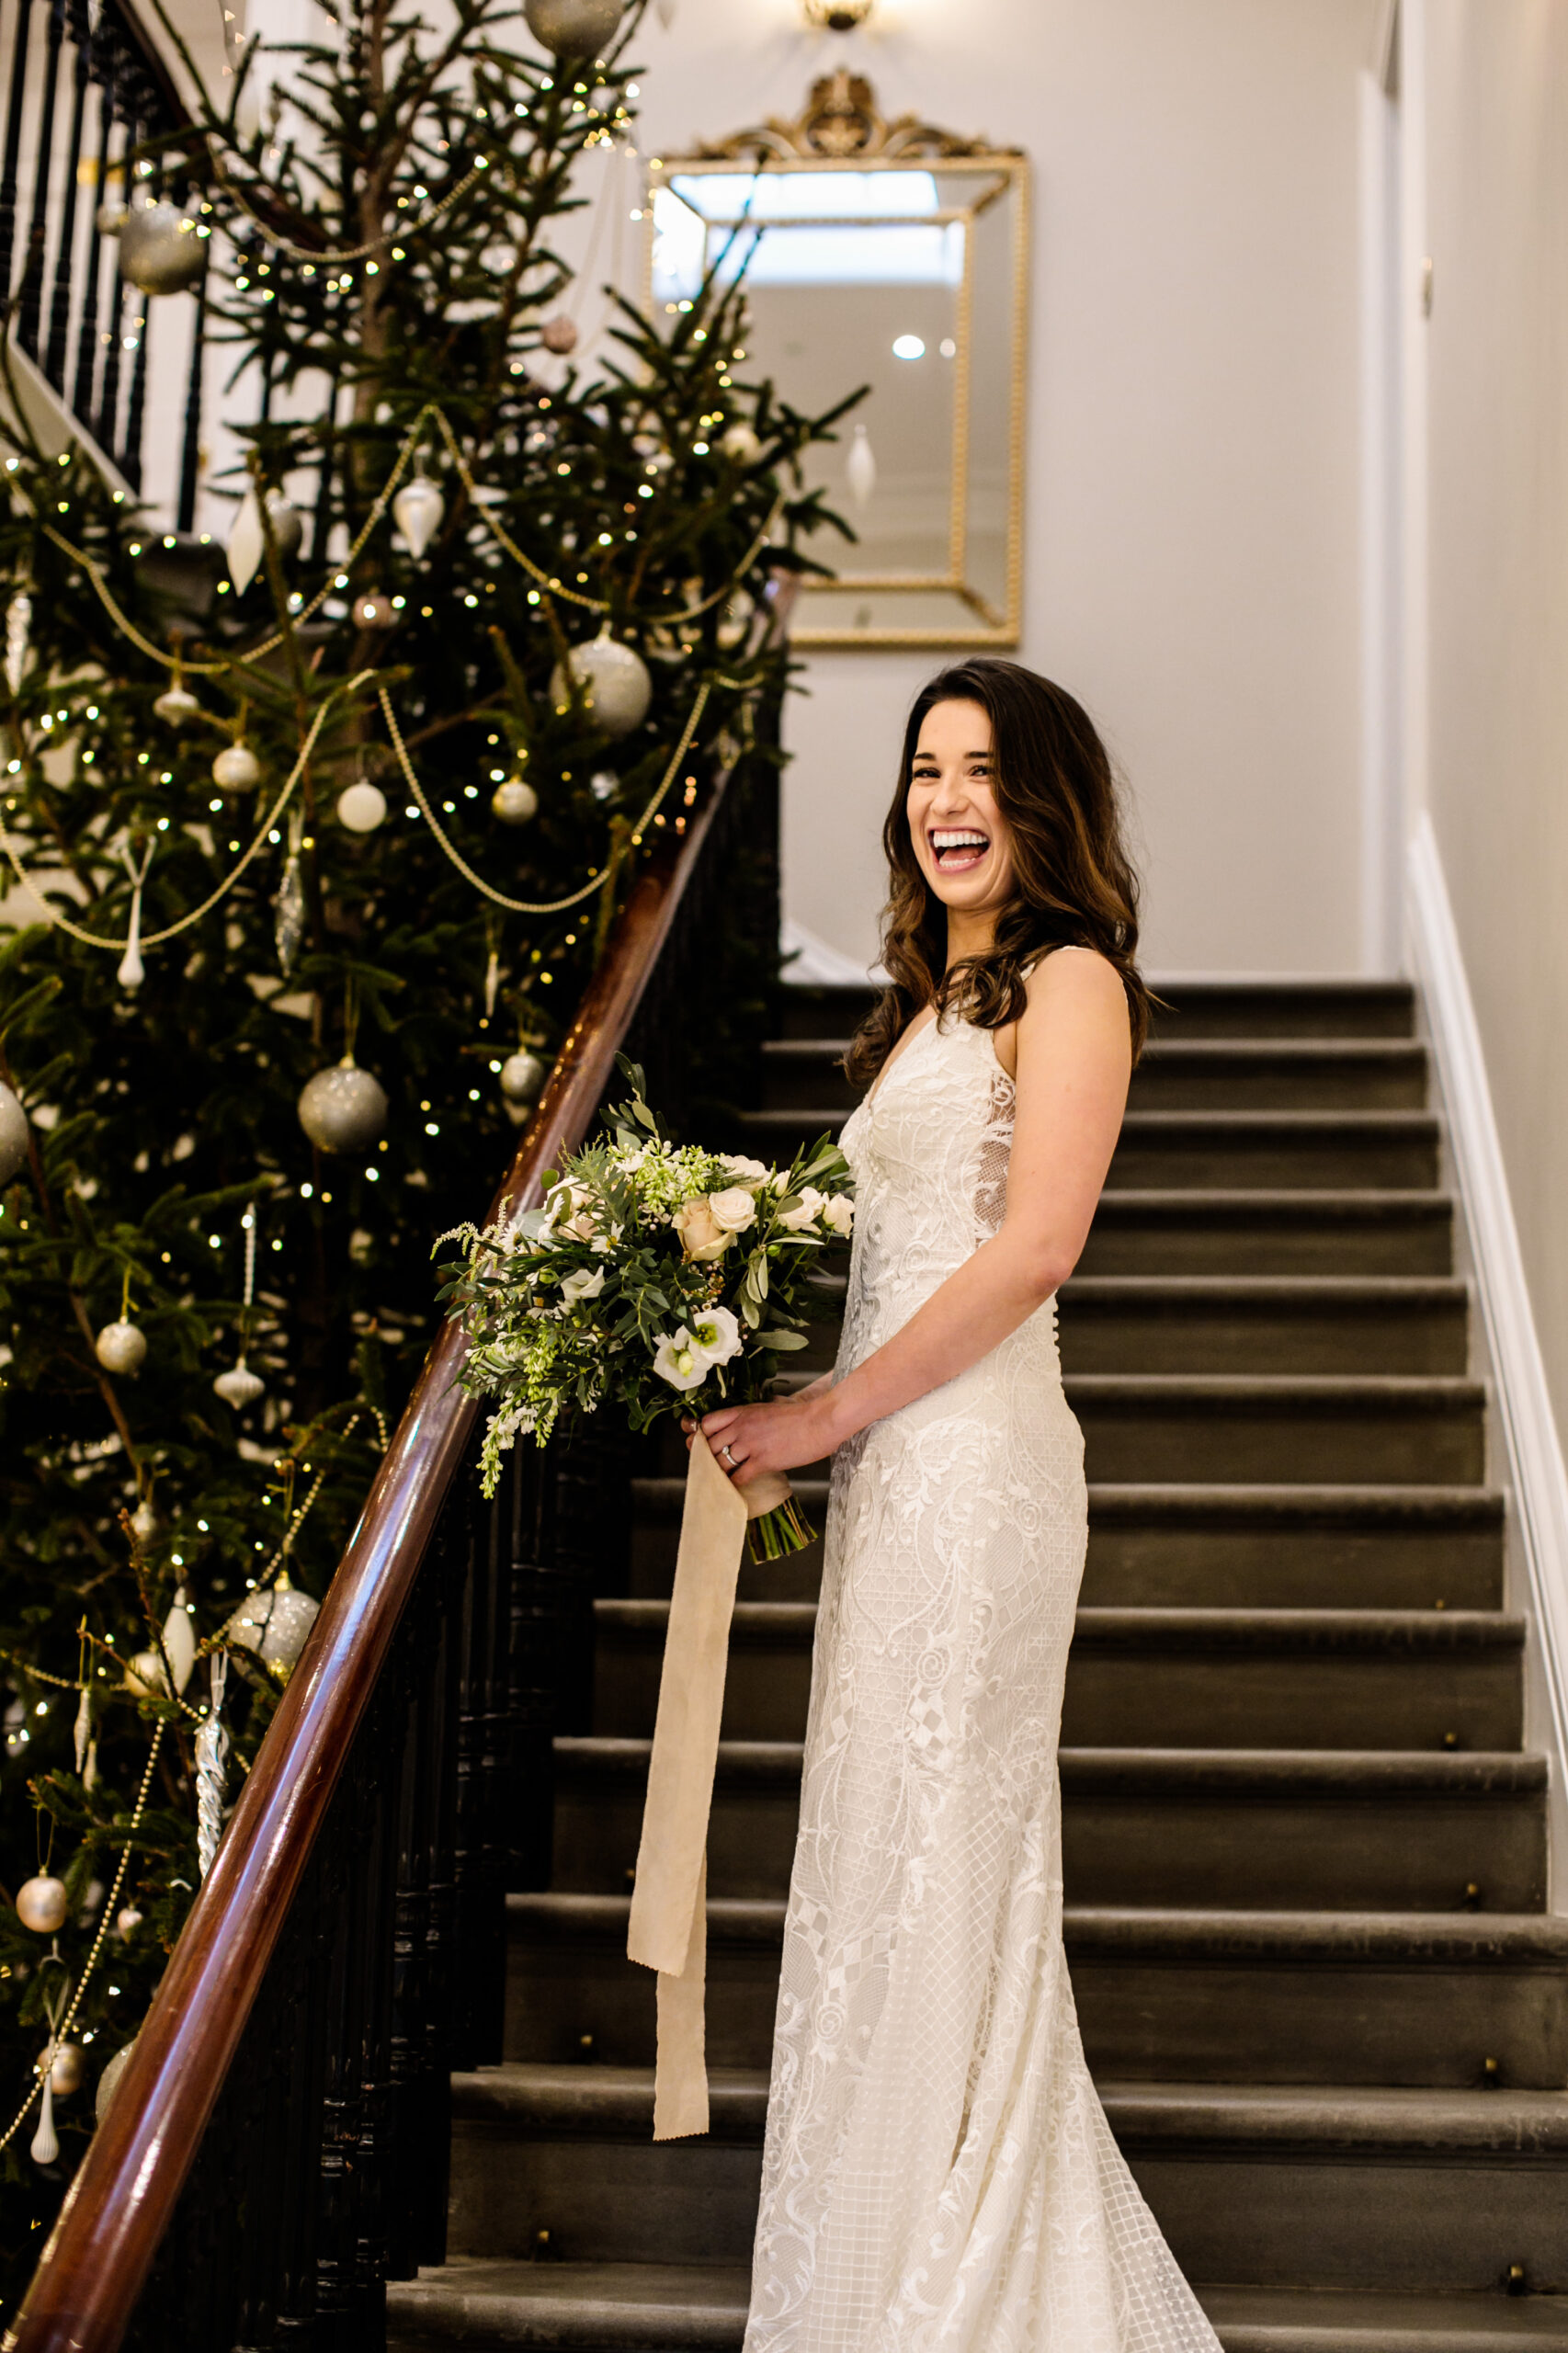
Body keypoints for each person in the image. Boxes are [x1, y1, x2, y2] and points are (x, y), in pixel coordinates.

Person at [694, 659, 1223, 2352]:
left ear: (1043, 801)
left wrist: (829, 1413)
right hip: (899, 1478)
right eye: (926, 769)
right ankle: (873, 2260)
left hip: (977, 1470)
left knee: (944, 1852)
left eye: (983, 771)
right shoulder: (931, 1004)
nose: (947, 801)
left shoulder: (1075, 980)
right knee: (875, 1854)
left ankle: (959, 2280)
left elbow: (1034, 1247)